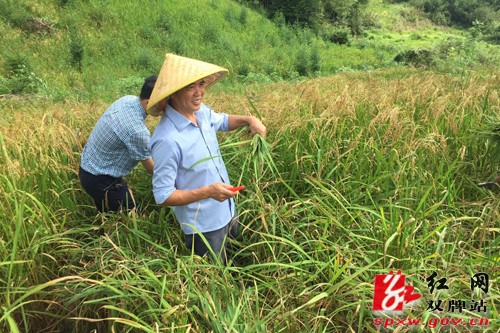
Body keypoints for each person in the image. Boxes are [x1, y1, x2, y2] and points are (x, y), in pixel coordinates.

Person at [148, 54, 266, 264]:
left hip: (227, 208)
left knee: (236, 259)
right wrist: (208, 192)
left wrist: (250, 120)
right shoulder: (167, 139)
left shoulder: (200, 113)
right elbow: (163, 195)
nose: (199, 92)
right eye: (190, 86)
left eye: (201, 84)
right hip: (203, 226)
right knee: (215, 277)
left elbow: (222, 121)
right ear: (173, 93)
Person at [79, 75, 167, 213]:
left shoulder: (126, 100)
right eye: (164, 103)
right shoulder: (137, 131)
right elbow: (152, 169)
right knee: (130, 222)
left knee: (109, 215)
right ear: (149, 102)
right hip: (102, 180)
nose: (167, 108)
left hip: (88, 168)